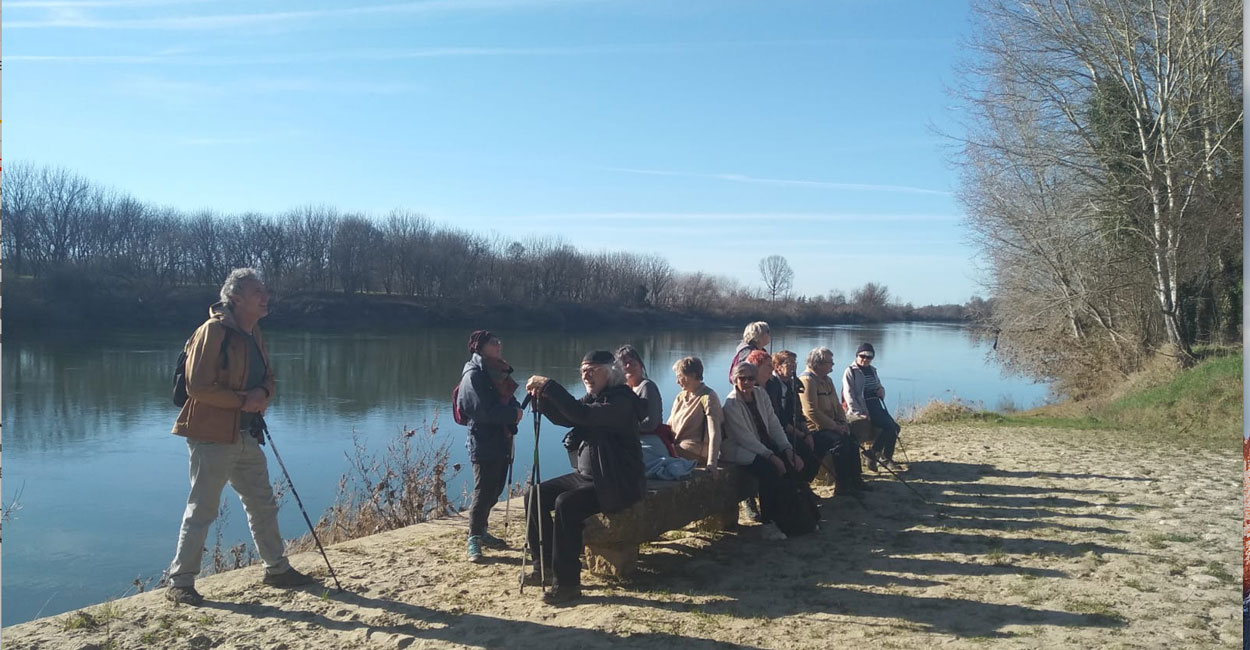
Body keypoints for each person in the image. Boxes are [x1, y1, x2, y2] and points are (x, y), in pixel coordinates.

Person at [166, 268, 314, 606]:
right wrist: (243, 401)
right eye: (256, 291)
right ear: (235, 298)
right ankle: (181, 583)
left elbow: (269, 376)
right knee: (202, 508)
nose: (265, 296)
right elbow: (197, 387)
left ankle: (277, 570)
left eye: (264, 289)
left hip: (247, 433)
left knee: (263, 503)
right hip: (211, 435)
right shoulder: (212, 331)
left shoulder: (253, 332)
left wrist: (263, 393)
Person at [523, 351, 646, 604]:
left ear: (610, 372)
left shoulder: (621, 401)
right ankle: (542, 565)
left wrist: (550, 386)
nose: (585, 375)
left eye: (592, 369)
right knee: (534, 495)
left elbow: (582, 415)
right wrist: (543, 401)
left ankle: (567, 584)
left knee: (566, 504)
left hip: (616, 482)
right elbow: (567, 416)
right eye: (582, 371)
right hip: (588, 476)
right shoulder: (596, 398)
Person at [456, 330, 524, 563]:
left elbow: (508, 397)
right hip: (483, 440)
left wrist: (514, 411)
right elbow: (481, 411)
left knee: (494, 489)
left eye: (499, 340)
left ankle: (482, 531)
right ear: (479, 347)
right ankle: (473, 538)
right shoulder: (473, 375)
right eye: (493, 342)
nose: (499, 344)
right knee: (483, 490)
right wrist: (512, 414)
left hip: (502, 438)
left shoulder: (497, 370)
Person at [721, 361, 804, 541]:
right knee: (769, 471)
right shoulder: (731, 404)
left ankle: (794, 516)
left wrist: (787, 448)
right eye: (742, 379)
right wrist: (772, 457)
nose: (747, 383)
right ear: (735, 380)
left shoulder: (761, 394)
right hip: (740, 450)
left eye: (751, 378)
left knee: (792, 465)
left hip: (763, 444)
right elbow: (745, 438)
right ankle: (768, 523)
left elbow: (773, 423)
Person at [798, 347, 869, 496]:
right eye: (830, 362)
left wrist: (843, 423)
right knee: (839, 443)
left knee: (851, 438)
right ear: (818, 363)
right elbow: (811, 411)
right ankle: (842, 484)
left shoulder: (827, 380)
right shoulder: (806, 380)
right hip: (816, 429)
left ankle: (855, 479)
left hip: (832, 425)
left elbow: (837, 405)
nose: (833, 365)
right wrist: (834, 427)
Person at [617, 345, 695, 480]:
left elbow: (651, 423)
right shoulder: (625, 390)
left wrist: (625, 428)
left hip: (650, 441)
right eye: (624, 364)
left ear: (640, 365)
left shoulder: (647, 387)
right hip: (634, 438)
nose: (628, 366)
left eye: (632, 362)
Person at [764, 349, 834, 485]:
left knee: (818, 443)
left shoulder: (792, 384)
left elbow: (798, 412)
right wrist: (800, 435)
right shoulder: (772, 386)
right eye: (789, 363)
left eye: (794, 363)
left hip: (793, 428)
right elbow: (778, 418)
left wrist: (806, 433)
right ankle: (799, 487)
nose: (793, 367)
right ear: (778, 366)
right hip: (779, 430)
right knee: (802, 450)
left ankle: (806, 483)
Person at [843, 343, 902, 472]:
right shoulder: (851, 371)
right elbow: (849, 394)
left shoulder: (872, 370)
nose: (865, 359)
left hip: (876, 404)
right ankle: (879, 456)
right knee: (891, 427)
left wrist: (881, 391)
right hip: (864, 406)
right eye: (862, 356)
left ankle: (878, 455)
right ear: (857, 355)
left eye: (869, 357)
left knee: (895, 427)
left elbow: (879, 386)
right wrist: (858, 411)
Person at [666, 356, 724, 470]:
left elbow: (715, 433)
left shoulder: (708, 397)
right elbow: (669, 426)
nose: (677, 381)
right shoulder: (680, 397)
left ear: (692, 375)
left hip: (696, 451)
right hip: (677, 448)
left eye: (680, 377)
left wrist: (712, 463)